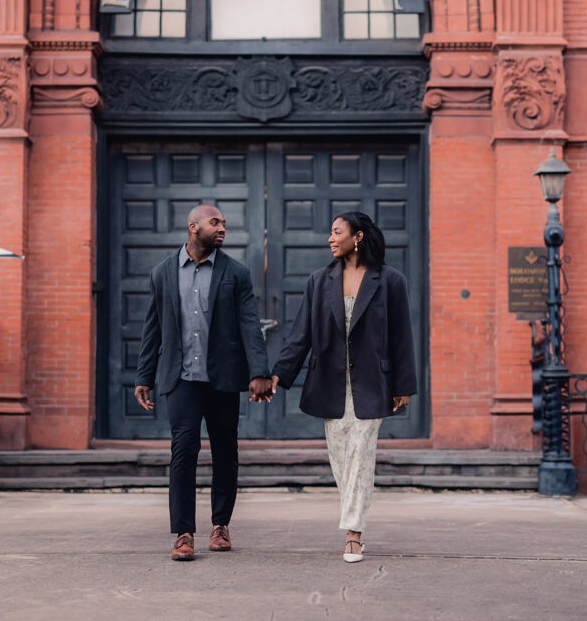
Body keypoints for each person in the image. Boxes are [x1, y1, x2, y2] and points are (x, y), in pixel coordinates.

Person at [271, 211, 417, 563]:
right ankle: (354, 523)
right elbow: (300, 335)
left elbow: (402, 338)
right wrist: (278, 375)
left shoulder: (390, 281)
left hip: (372, 383)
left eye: (337, 232)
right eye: (330, 233)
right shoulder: (319, 281)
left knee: (361, 454)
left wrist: (404, 385)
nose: (330, 238)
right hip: (330, 384)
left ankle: (354, 534)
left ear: (358, 237)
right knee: (341, 458)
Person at [134, 203, 273, 561]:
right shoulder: (162, 273)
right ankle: (183, 533)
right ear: (193, 227)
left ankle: (220, 525)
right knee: (184, 448)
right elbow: (153, 328)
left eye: (224, 223)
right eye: (215, 222)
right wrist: (143, 375)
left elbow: (249, 325)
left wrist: (258, 372)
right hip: (181, 377)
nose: (222, 228)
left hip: (222, 377)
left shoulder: (236, 273)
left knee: (226, 449)